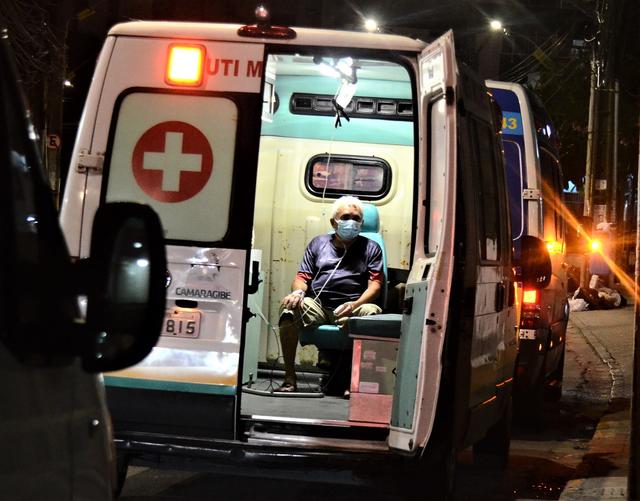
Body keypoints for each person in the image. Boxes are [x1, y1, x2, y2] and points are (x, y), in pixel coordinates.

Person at [276, 195, 383, 393]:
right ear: (334, 222)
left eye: (357, 218)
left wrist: (355, 304)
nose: (351, 222)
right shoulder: (318, 244)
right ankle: (289, 378)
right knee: (289, 309)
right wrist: (298, 292)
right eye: (346, 217)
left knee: (372, 312)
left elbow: (375, 285)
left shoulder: (371, 248)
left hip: (352, 308)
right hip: (320, 307)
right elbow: (301, 277)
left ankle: (356, 382)